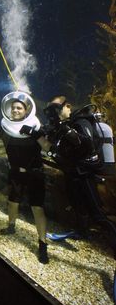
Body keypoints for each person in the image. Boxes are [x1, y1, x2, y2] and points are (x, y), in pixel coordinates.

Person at [0, 91, 50, 264]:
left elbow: (47, 147)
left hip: (35, 173)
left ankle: (42, 245)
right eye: (13, 107)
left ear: (26, 110)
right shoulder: (5, 128)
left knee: (37, 208)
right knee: (12, 202)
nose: (15, 110)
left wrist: (36, 134)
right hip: (15, 173)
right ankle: (11, 226)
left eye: (19, 107)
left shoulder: (35, 126)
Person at [44, 96, 116, 248]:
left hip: (87, 175)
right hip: (74, 173)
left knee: (98, 216)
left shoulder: (81, 121)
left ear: (67, 106)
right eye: (50, 110)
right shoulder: (64, 125)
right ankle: (81, 232)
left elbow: (87, 145)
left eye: (56, 109)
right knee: (78, 206)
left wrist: (68, 131)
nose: (53, 113)